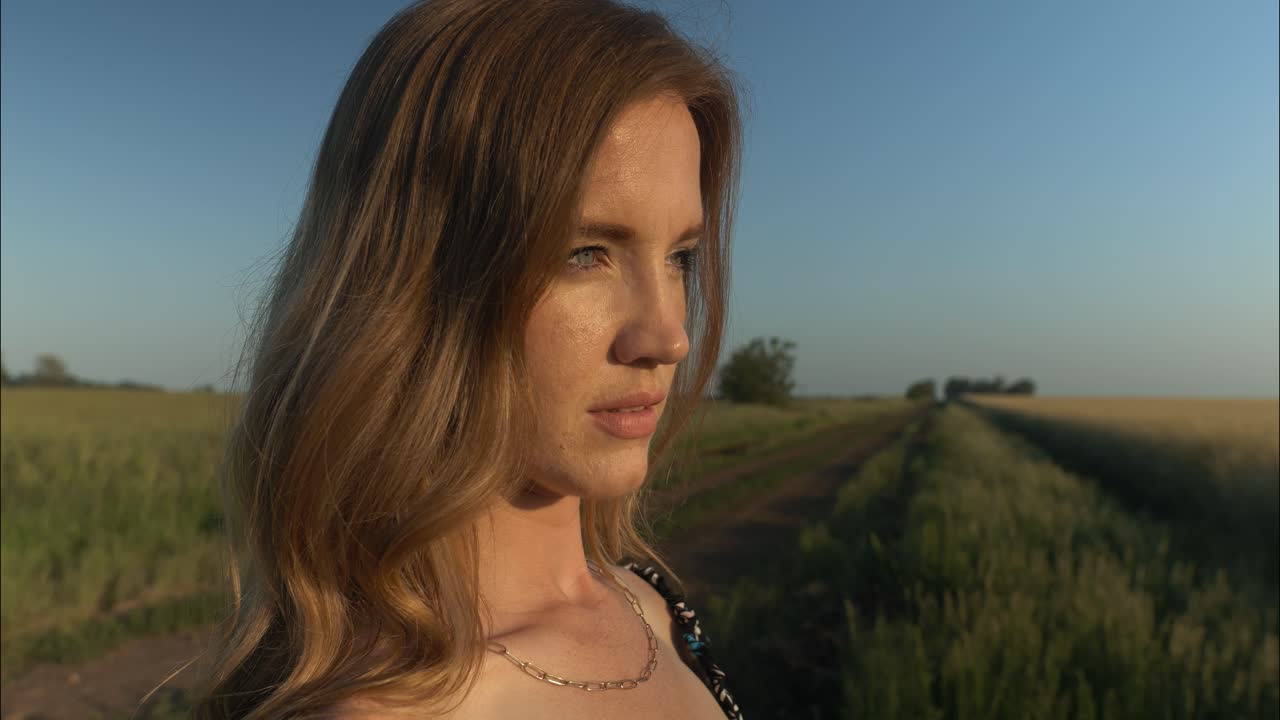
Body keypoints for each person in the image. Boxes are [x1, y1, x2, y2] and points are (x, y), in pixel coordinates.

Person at [188, 0, 743, 717]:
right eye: (584, 253)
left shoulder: (651, 602)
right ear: (418, 281)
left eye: (680, 257)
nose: (668, 338)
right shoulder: (405, 709)